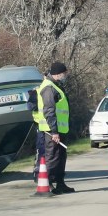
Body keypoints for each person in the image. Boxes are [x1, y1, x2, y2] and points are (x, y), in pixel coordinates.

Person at [33, 61, 73, 194]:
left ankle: (60, 183)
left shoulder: (55, 85)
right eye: (64, 73)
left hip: (60, 130)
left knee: (61, 157)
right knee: (53, 157)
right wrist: (54, 131)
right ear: (57, 74)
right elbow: (49, 111)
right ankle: (47, 183)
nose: (65, 76)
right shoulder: (48, 87)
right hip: (52, 131)